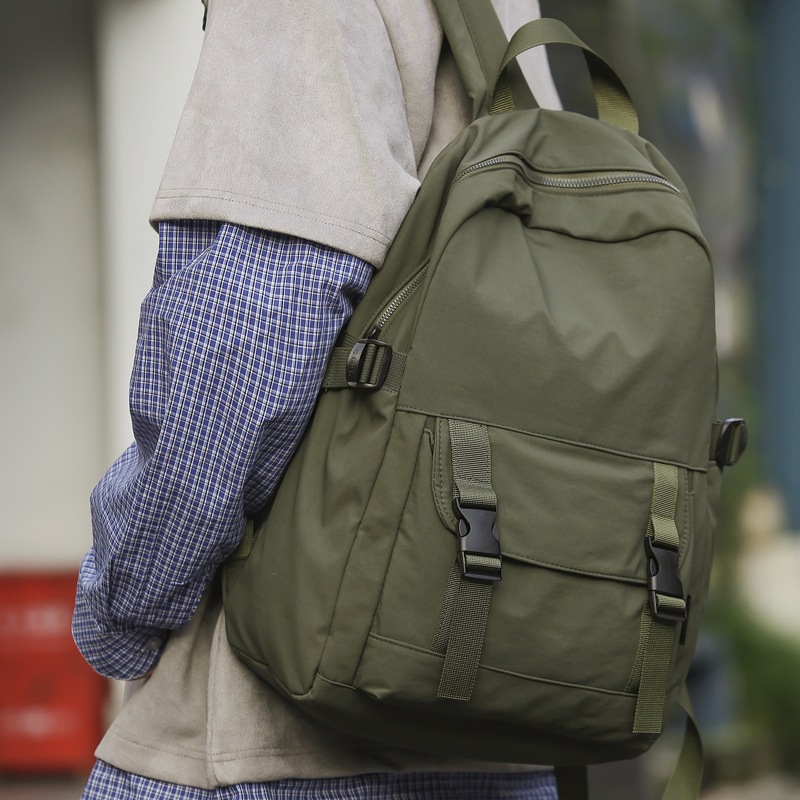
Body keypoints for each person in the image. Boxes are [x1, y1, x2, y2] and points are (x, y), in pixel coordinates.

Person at [73, 1, 562, 797]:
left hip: (274, 737)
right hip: (494, 719)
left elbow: (244, 355)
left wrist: (119, 610)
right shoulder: (504, 18)